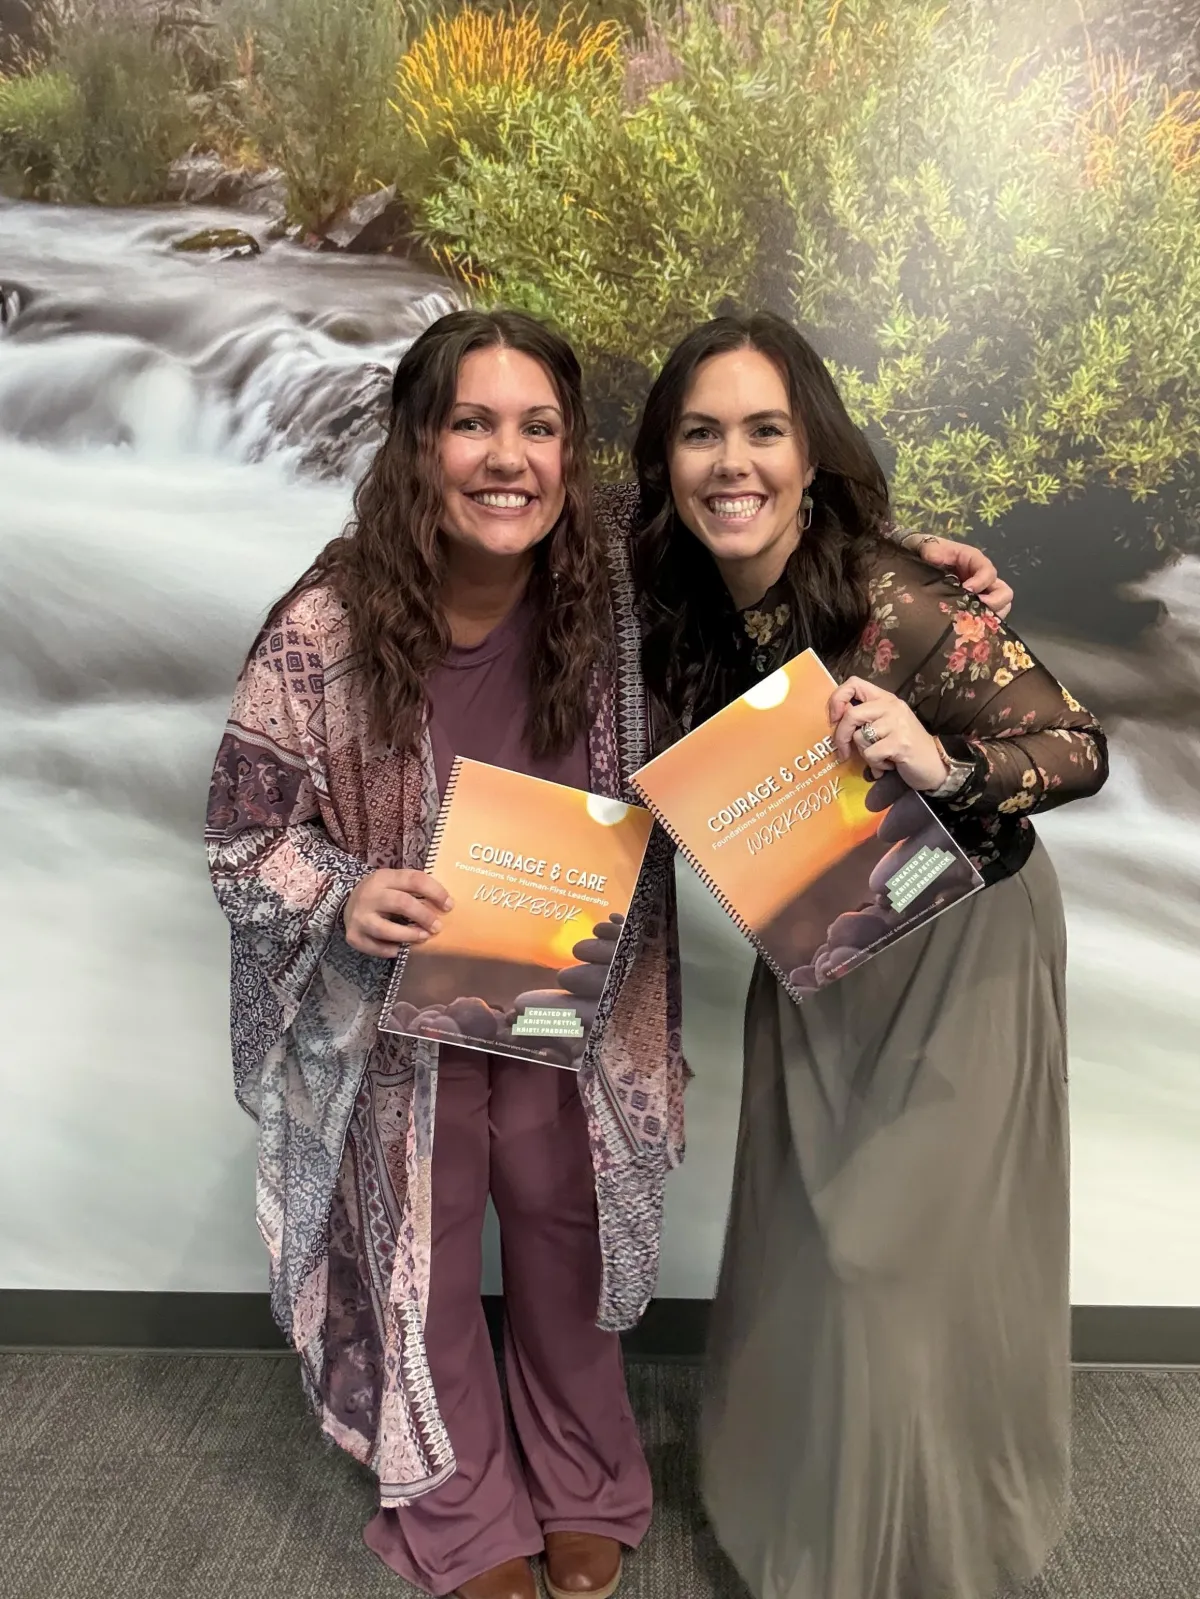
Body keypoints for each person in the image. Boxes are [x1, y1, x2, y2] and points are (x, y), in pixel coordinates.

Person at [205, 307, 1015, 1599]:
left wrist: (911, 569)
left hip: (575, 994)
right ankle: (460, 1500)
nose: (506, 457)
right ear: (417, 444)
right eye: (471, 423)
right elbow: (246, 843)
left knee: (565, 1222)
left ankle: (586, 1476)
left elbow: (770, 547)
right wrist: (345, 894)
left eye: (538, 427)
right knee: (418, 1234)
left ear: (572, 453)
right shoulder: (322, 630)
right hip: (396, 1010)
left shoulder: (625, 595)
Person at [607, 310, 1108, 1599]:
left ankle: (916, 1560)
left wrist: (948, 765)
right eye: (702, 433)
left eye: (765, 431)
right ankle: (805, 1527)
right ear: (665, 458)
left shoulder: (901, 596)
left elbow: (1080, 746)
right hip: (821, 943)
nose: (734, 463)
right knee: (812, 1244)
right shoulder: (667, 595)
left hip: (962, 953)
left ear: (811, 452)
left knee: (895, 1259)